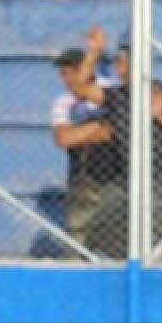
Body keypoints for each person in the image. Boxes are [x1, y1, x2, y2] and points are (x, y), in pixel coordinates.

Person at [73, 26, 162, 260]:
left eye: (123, 64)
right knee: (97, 233)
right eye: (118, 64)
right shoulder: (117, 96)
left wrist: (160, 116)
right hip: (126, 179)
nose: (119, 70)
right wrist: (93, 51)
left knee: (157, 243)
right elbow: (80, 88)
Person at [50, 47, 115, 253]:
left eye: (70, 73)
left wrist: (79, 133)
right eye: (63, 75)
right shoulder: (63, 101)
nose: (66, 80)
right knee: (78, 239)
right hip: (82, 178)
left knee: (116, 237)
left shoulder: (110, 91)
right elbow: (63, 139)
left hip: (116, 178)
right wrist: (96, 127)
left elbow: (113, 133)